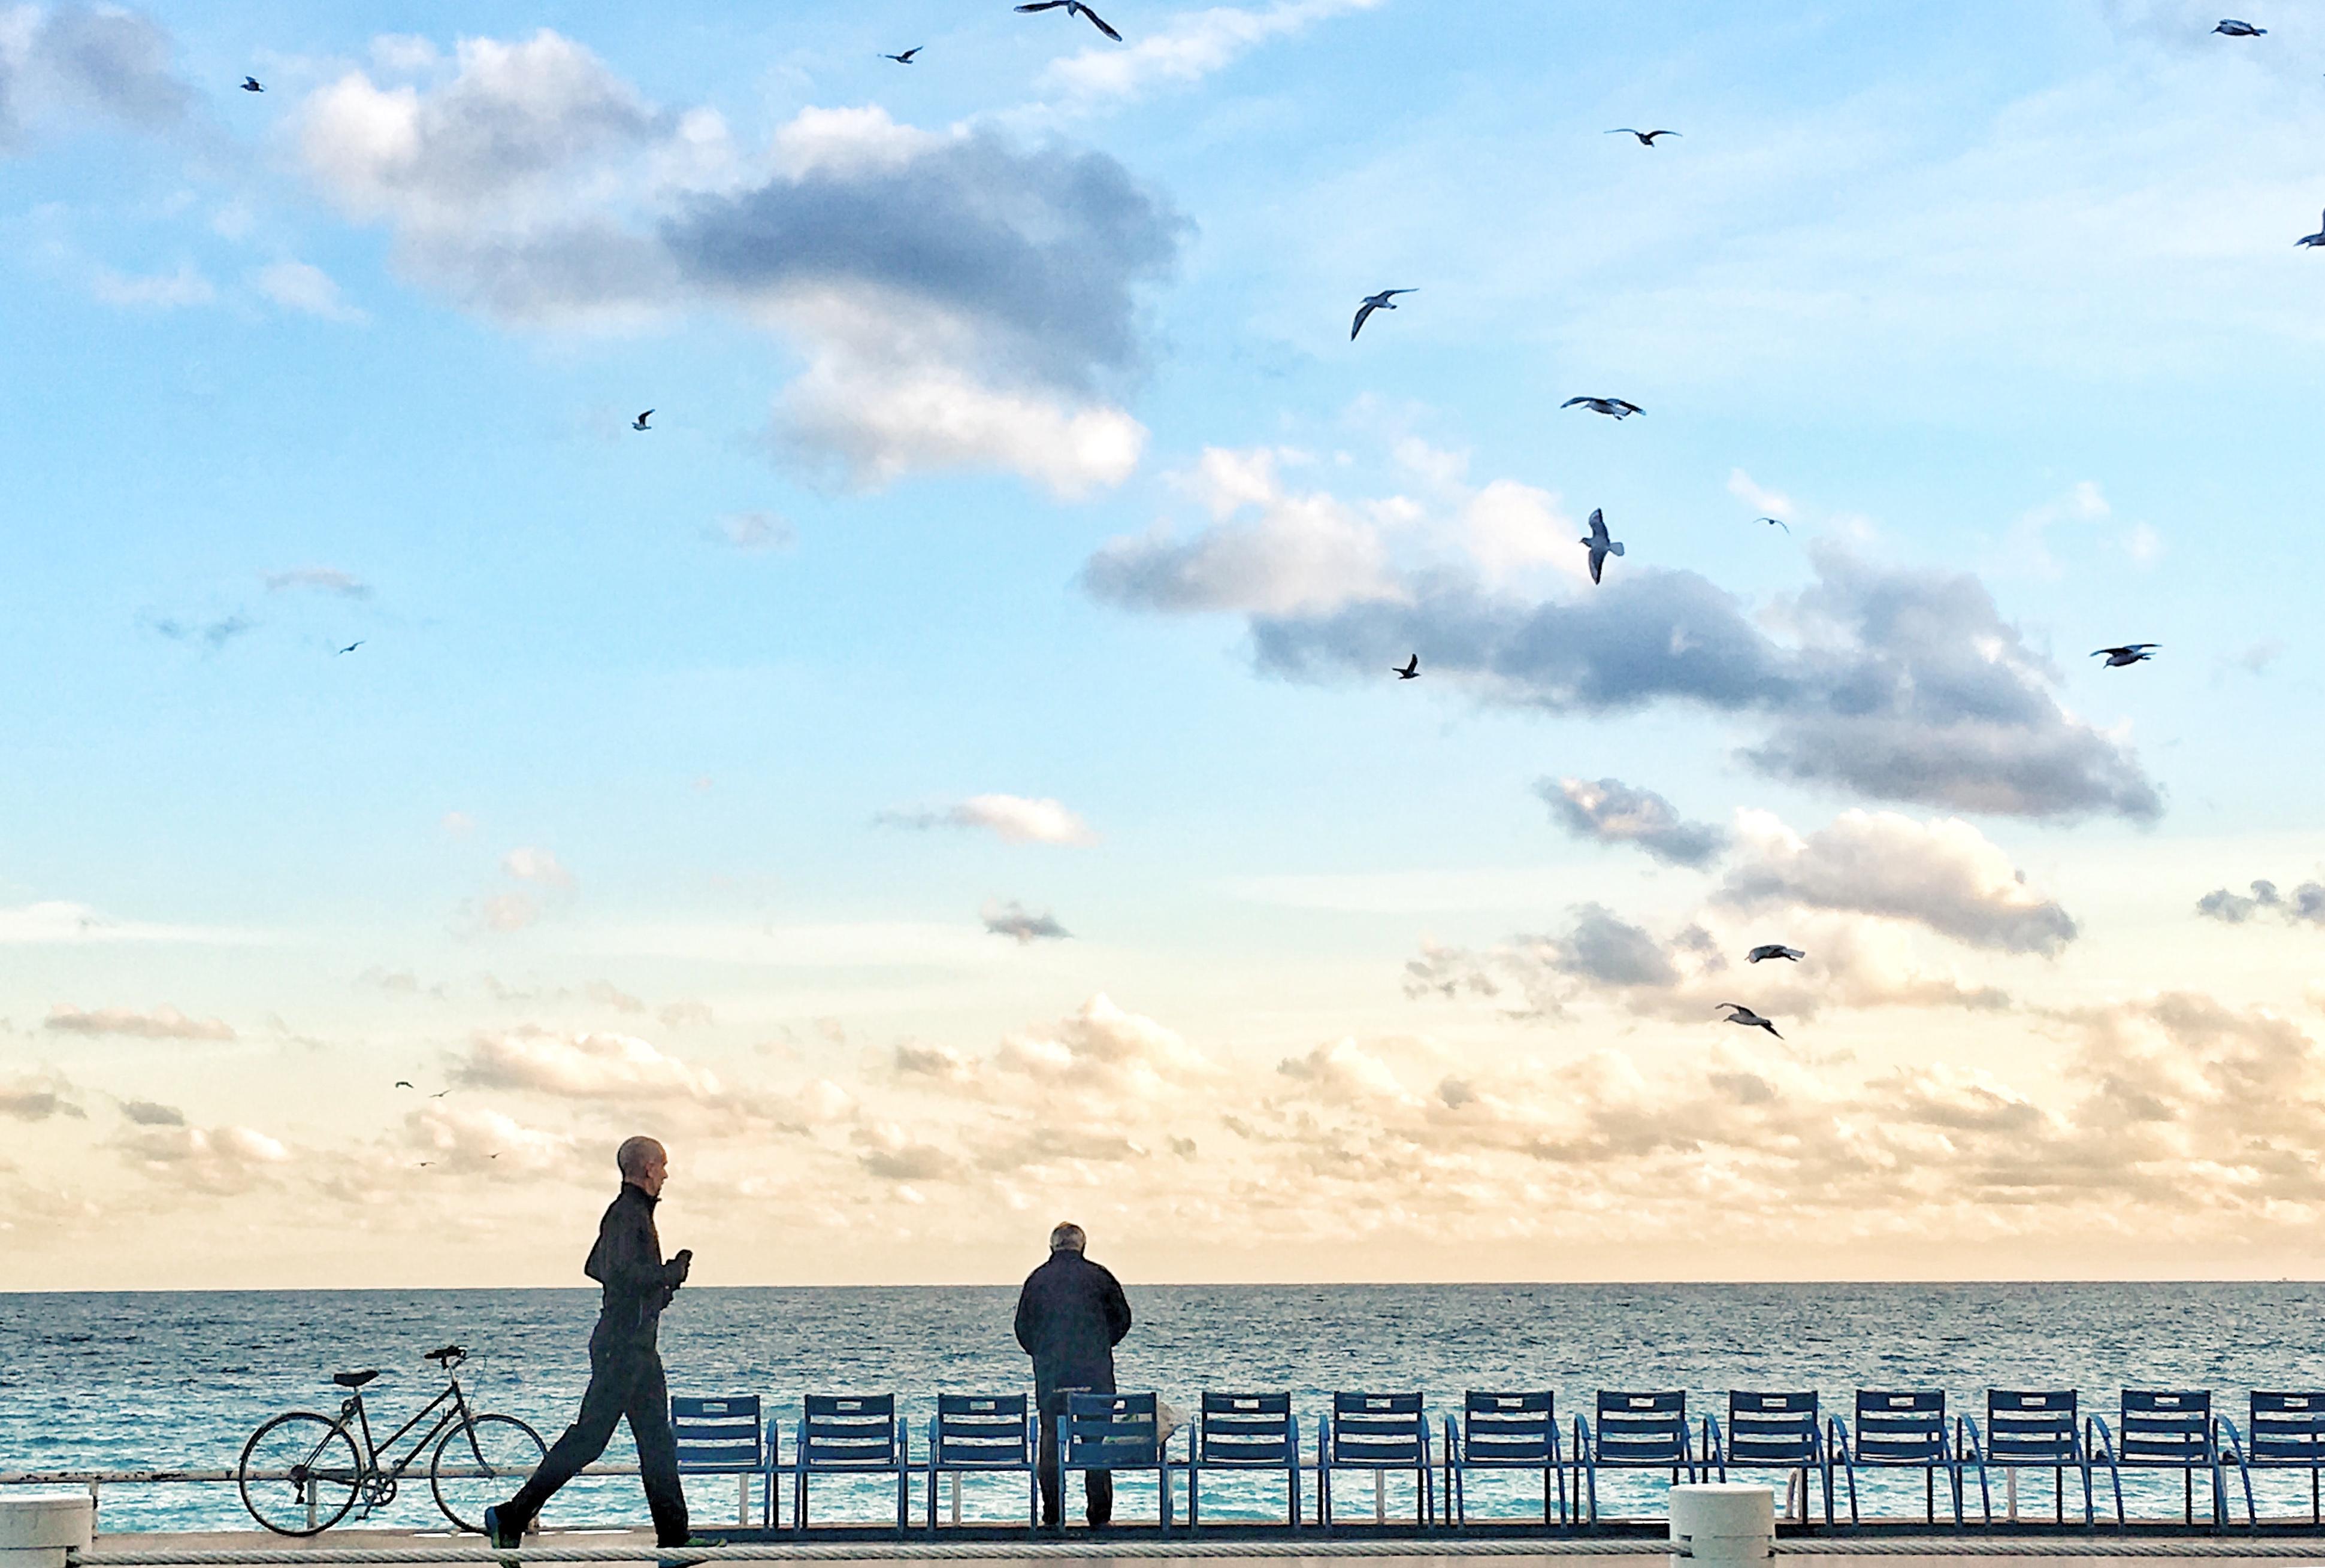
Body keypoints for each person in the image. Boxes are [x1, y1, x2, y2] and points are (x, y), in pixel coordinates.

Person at [484, 1137, 693, 1549]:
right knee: (589, 1440)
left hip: (637, 1347)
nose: (667, 1175)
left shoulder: (632, 1214)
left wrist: (658, 1290)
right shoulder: (626, 1214)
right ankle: (511, 1515)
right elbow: (621, 1274)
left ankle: (674, 1540)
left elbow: (599, 1267)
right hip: (621, 1348)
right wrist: (669, 1273)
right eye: (663, 1166)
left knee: (657, 1444)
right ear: (649, 1168)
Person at [1012, 1221, 1132, 1530]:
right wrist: (1101, 1344)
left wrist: (1042, 1353)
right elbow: (1123, 1320)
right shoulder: (1101, 1277)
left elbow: (1023, 1329)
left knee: (1050, 1440)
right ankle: (1099, 1515)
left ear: (1052, 1247)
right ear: (1083, 1246)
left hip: (1053, 1376)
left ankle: (1052, 1513)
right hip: (1095, 1375)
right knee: (1095, 1442)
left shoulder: (1037, 1280)